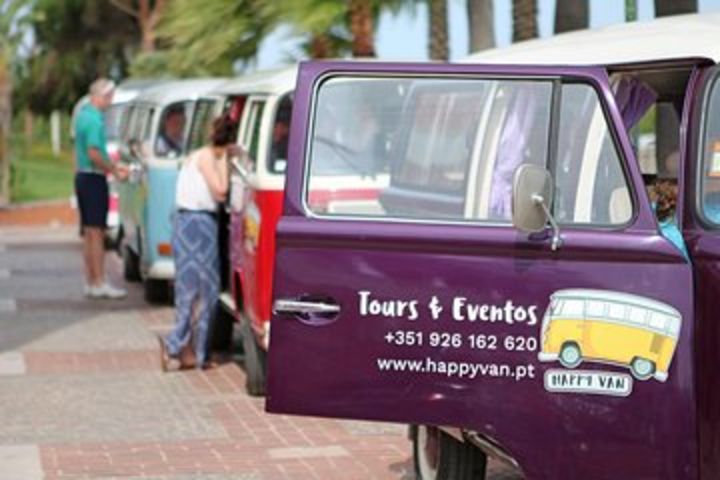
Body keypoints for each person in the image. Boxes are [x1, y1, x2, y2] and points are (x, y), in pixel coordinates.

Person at [159, 114, 235, 371]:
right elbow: (221, 190)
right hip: (198, 224)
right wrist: (226, 161)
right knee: (205, 290)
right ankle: (179, 346)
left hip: (187, 223)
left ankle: (188, 350)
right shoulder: (207, 157)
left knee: (192, 289)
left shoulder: (197, 156)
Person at [73, 78, 129, 299]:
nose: (110, 101)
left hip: (82, 177)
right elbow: (94, 152)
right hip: (94, 178)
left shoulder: (82, 115)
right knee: (97, 232)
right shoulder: (95, 120)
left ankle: (91, 279)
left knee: (88, 231)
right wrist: (114, 170)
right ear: (101, 96)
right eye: (109, 97)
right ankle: (99, 281)